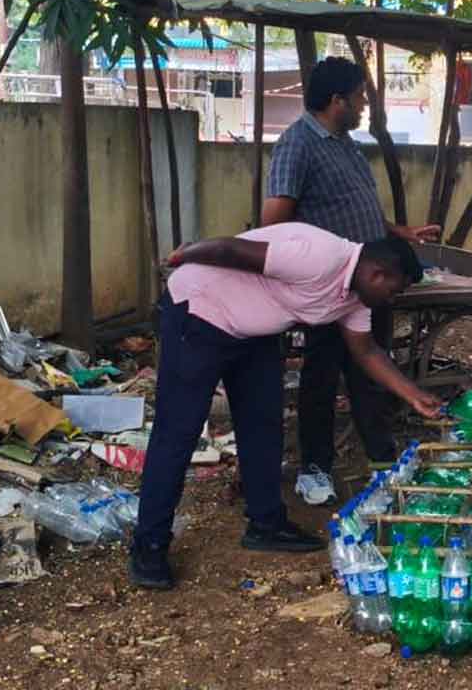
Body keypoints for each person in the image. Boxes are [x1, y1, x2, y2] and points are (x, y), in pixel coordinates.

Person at [128, 224, 441, 590]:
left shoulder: (356, 297)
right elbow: (232, 250)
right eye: (394, 290)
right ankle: (149, 547)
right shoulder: (319, 255)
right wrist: (185, 255)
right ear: (377, 273)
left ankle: (266, 524)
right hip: (200, 313)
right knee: (177, 433)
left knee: (263, 425)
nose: (392, 299)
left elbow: (366, 351)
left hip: (253, 333)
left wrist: (413, 394)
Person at [261, 56, 440, 506]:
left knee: (370, 371)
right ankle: (315, 469)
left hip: (369, 284)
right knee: (321, 378)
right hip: (326, 285)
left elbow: (355, 205)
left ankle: (381, 461)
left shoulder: (344, 143)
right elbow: (273, 222)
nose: (364, 104)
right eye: (360, 95)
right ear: (337, 100)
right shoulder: (297, 144)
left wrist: (397, 233)